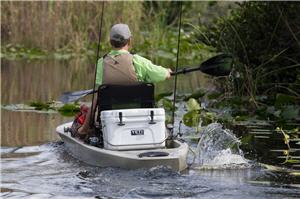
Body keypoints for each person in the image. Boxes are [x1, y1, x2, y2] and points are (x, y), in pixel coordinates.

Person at [76, 23, 172, 137]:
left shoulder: (101, 63)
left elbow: (100, 87)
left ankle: (84, 129)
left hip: (111, 118)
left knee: (98, 94)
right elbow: (163, 74)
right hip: (139, 116)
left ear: (110, 42)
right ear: (129, 41)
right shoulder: (138, 61)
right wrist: (167, 71)